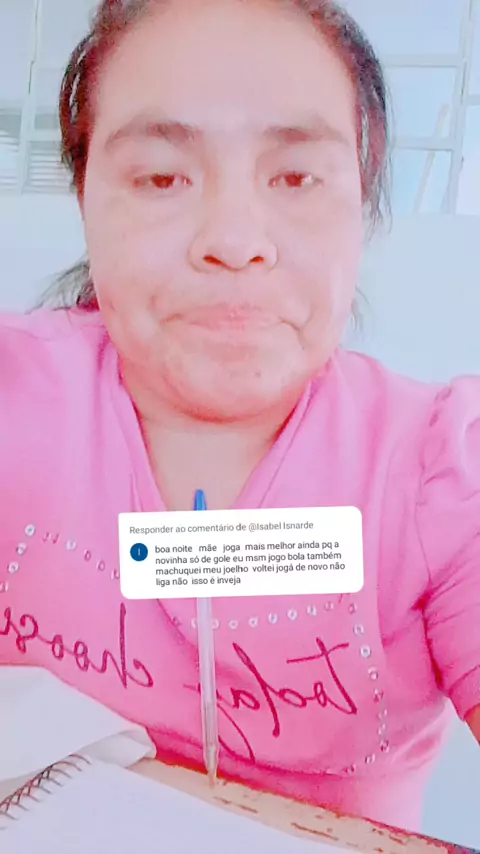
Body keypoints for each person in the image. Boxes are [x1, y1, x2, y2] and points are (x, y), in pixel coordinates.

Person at [0, 0, 479, 833]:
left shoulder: (444, 467)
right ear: (85, 198)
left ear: (361, 205)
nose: (233, 238)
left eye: (295, 178)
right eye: (161, 177)